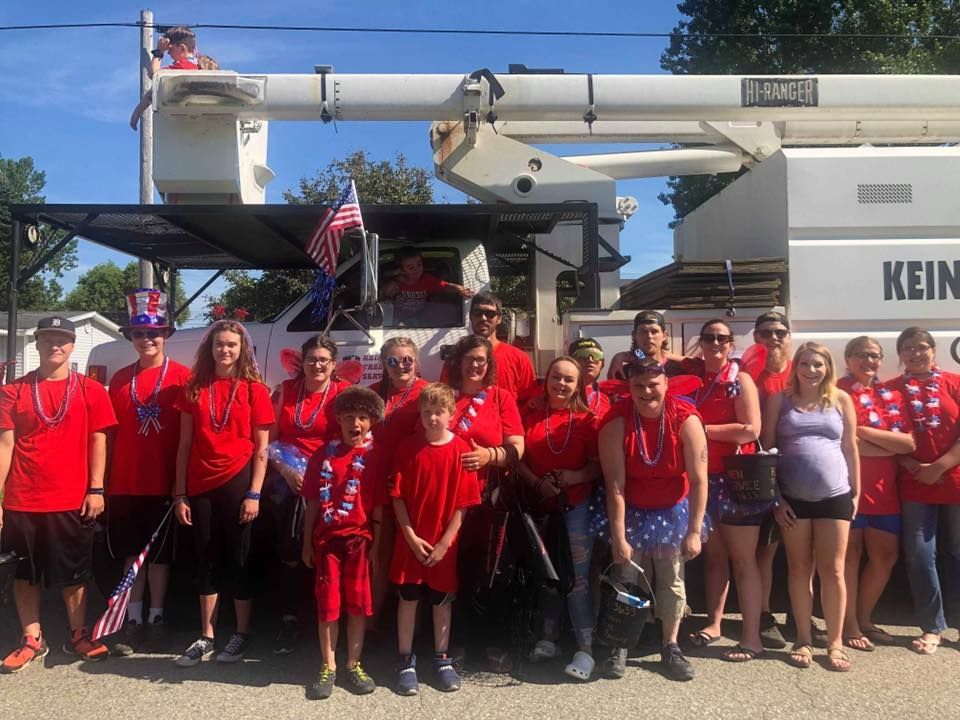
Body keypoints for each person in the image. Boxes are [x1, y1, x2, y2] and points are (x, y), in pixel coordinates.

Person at [0, 316, 117, 672]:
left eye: (62, 339)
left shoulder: (91, 390)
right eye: (48, 338)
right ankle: (32, 639)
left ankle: (78, 634)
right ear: (37, 343)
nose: (55, 345)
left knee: (75, 574)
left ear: (70, 345)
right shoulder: (12, 391)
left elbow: (99, 440)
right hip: (22, 499)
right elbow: (5, 445)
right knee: (25, 574)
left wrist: (96, 488)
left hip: (71, 499)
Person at [596, 351, 708, 682]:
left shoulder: (685, 417)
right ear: (628, 387)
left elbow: (700, 478)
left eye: (653, 385)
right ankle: (621, 645)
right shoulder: (615, 422)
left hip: (673, 509)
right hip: (631, 509)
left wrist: (694, 530)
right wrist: (619, 537)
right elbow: (614, 484)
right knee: (628, 578)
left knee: (671, 579)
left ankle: (670, 645)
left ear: (667, 384)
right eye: (639, 386)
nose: (646, 392)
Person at [172, 320, 274, 667]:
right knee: (206, 559)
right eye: (219, 344)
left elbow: (262, 449)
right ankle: (207, 635)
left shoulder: (254, 390)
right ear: (210, 348)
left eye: (232, 344)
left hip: (238, 481)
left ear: (242, 348)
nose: (225, 350)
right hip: (200, 485)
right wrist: (179, 494)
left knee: (239, 559)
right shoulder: (194, 388)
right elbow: (184, 444)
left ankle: (241, 633)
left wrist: (255, 493)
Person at [762, 342, 859, 672]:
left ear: (827, 367)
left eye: (818, 364)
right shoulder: (780, 401)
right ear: (795, 367)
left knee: (833, 570)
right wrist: (775, 498)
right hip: (792, 500)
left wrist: (856, 493)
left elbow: (849, 447)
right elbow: (766, 450)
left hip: (836, 496)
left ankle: (835, 642)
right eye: (805, 363)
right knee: (799, 568)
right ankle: (803, 638)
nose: (811, 370)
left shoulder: (841, 399)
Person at [106, 290, 189, 655]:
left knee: (159, 557)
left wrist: (180, 485)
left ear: (166, 335)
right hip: (125, 482)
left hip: (163, 482)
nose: (147, 340)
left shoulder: (183, 378)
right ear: (131, 338)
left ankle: (156, 617)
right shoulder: (120, 380)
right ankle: (132, 617)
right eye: (139, 334)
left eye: (154, 333)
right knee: (130, 554)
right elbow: (108, 436)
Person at [390, 383, 481, 695]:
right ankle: (405, 660)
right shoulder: (407, 448)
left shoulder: (462, 450)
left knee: (442, 601)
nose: (432, 418)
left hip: (445, 542)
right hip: (410, 541)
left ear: (451, 414)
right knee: (408, 598)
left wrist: (445, 543)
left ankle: (442, 659)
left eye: (438, 412)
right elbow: (397, 498)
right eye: (426, 412)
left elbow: (463, 504)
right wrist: (410, 536)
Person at [517, 356, 601, 680]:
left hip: (576, 506)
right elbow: (518, 459)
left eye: (569, 379)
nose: (561, 384)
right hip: (541, 507)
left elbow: (597, 466)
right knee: (547, 576)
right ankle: (548, 637)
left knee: (576, 578)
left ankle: (586, 647)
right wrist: (537, 483)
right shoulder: (532, 414)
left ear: (578, 385)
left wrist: (573, 477)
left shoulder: (587, 420)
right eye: (556, 377)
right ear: (546, 379)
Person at [687, 319, 766, 662]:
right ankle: (714, 624)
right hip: (702, 478)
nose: (715, 343)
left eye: (722, 338)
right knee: (714, 557)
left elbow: (750, 430)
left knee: (743, 560)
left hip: (736, 479)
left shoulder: (740, 380)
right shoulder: (691, 380)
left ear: (731, 344)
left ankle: (751, 638)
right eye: (709, 337)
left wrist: (700, 429)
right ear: (700, 343)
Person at [264, 335, 348, 655]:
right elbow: (269, 441)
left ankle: (325, 621)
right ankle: (290, 620)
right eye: (312, 359)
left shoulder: (342, 394)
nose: (317, 365)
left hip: (330, 483)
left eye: (324, 360)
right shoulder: (285, 391)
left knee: (326, 552)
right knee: (291, 552)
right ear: (302, 362)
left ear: (333, 364)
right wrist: (286, 470)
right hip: (290, 482)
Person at [301, 386, 385, 700]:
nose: (356, 423)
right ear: (338, 419)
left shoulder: (374, 457)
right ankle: (328, 665)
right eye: (349, 416)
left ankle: (353, 662)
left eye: (363, 417)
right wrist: (307, 543)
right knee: (328, 606)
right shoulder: (324, 455)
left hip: (360, 542)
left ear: (372, 422)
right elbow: (312, 501)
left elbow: (377, 505)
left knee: (358, 605)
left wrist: (377, 545)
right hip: (326, 543)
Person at [885, 327, 960, 656]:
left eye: (922, 347)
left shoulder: (955, 383)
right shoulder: (890, 390)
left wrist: (940, 466)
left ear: (933, 350)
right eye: (909, 349)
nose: (916, 354)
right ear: (900, 354)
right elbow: (881, 434)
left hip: (955, 477)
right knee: (918, 555)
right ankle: (932, 627)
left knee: (956, 553)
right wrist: (915, 466)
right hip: (914, 482)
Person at [837, 336, 915, 651]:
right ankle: (849, 624)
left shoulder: (890, 394)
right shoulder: (839, 392)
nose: (869, 361)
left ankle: (864, 617)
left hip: (885, 492)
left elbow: (909, 444)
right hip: (849, 487)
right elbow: (844, 442)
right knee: (850, 557)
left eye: (874, 356)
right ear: (848, 358)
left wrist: (866, 434)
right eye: (861, 355)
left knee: (885, 557)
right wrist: (887, 444)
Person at [369, 337, 430, 620]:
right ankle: (371, 621)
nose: (401, 366)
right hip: (378, 482)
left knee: (411, 552)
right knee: (379, 553)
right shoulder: (372, 395)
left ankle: (414, 628)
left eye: (407, 360)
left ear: (416, 362)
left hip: (413, 483)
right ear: (384, 365)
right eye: (393, 361)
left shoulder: (428, 393)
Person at [752, 310, 794, 649]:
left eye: (780, 332)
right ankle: (765, 617)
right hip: (763, 470)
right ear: (756, 339)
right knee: (765, 550)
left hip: (801, 473)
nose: (773, 338)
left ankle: (799, 615)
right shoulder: (750, 375)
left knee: (801, 550)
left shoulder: (806, 372)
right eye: (766, 332)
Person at [442, 292, 537, 401]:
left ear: (499, 318)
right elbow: (444, 399)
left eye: (490, 314)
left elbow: (530, 401)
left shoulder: (519, 359)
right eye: (478, 313)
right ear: (471, 317)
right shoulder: (455, 358)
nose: (483, 318)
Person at [130, 26, 217, 130]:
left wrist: (159, 51)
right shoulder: (197, 65)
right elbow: (153, 92)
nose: (168, 52)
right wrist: (137, 112)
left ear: (182, 48)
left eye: (170, 48)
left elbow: (154, 75)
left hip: (182, 120)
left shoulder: (182, 66)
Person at [381, 247, 474, 325]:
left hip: (415, 317)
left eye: (419, 265)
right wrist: (392, 280)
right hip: (394, 316)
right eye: (411, 268)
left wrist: (459, 289)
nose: (417, 270)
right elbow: (383, 294)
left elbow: (445, 286)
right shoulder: (396, 282)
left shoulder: (427, 280)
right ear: (402, 270)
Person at [607, 311, 684, 381]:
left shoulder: (679, 371)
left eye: (654, 331)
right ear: (634, 335)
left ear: (664, 335)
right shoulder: (623, 373)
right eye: (643, 332)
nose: (649, 336)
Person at [568, 337, 612, 419]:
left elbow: (643, 365)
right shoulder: (556, 389)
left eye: (596, 355)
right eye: (583, 355)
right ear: (570, 361)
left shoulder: (612, 390)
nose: (590, 360)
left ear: (602, 364)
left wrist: (620, 356)